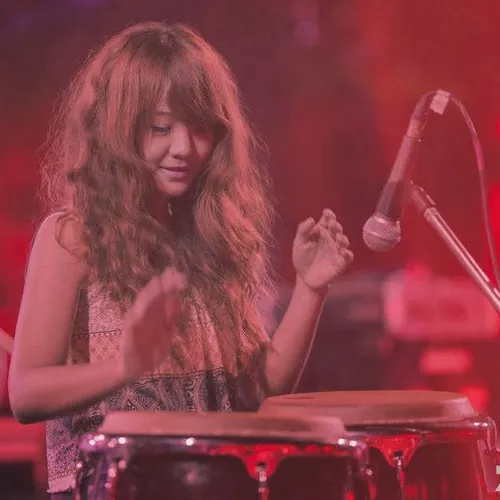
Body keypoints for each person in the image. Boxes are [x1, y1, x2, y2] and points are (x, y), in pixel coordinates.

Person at [7, 21, 353, 497]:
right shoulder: (73, 238)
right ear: (118, 129)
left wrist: (311, 288)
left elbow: (260, 390)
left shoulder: (213, 238)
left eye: (200, 128)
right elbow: (26, 393)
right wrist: (125, 366)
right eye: (161, 128)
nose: (184, 148)